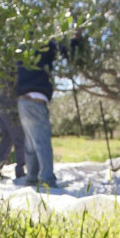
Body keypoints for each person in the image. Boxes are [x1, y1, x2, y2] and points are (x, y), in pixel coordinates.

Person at [15, 31, 84, 188]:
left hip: (22, 101)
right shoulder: (43, 45)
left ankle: (32, 179)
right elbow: (63, 49)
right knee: (42, 142)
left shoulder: (22, 48)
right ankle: (47, 181)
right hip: (36, 99)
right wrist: (76, 39)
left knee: (31, 143)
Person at [0, 75, 25, 178]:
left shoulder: (2, 66)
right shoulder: (13, 66)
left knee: (7, 138)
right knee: (19, 140)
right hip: (10, 105)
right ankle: (20, 172)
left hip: (0, 105)